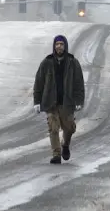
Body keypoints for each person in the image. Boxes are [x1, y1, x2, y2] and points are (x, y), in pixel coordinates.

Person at [32, 34, 86, 164]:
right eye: (57, 44)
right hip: (51, 102)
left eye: (61, 44)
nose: (59, 46)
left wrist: (79, 100)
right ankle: (56, 154)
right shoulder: (47, 62)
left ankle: (65, 145)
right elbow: (39, 82)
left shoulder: (73, 63)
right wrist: (37, 101)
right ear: (54, 46)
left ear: (65, 46)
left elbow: (79, 83)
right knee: (53, 128)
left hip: (67, 103)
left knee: (70, 128)